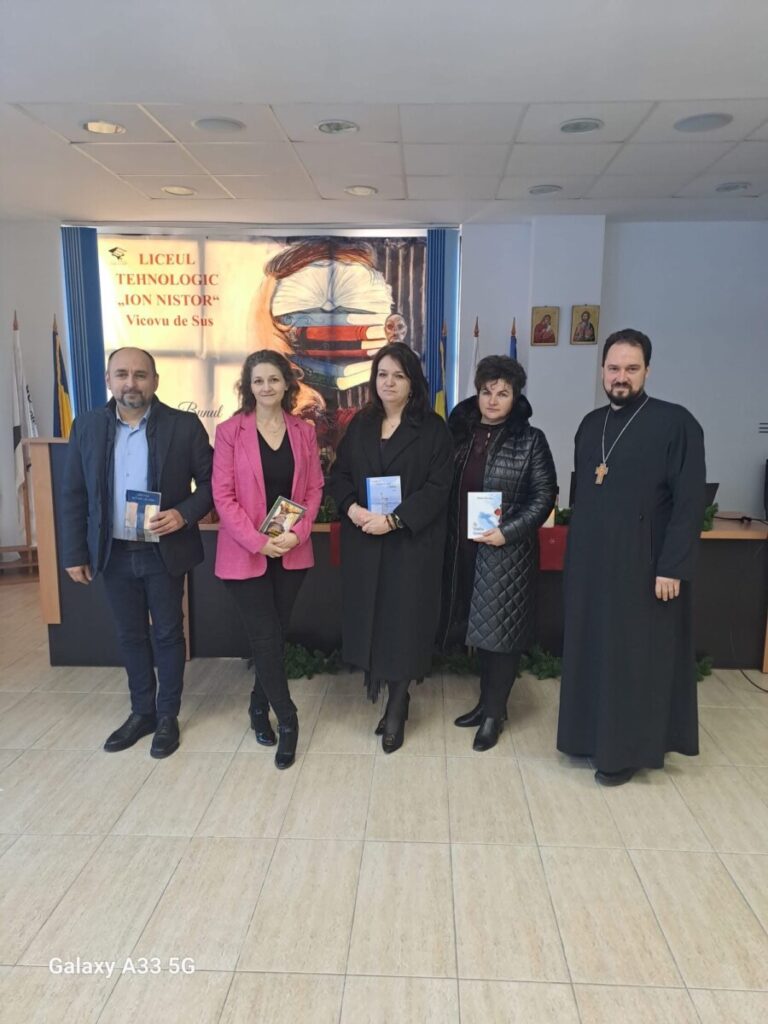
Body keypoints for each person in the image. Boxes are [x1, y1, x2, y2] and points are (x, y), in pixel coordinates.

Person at [557, 329, 706, 785]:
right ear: (602, 370)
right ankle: (587, 737)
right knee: (593, 651)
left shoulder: (676, 423)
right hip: (592, 565)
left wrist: (672, 567)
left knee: (632, 659)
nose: (621, 377)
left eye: (631, 368)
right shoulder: (590, 424)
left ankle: (624, 752)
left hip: (645, 566)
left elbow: (689, 504)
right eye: (613, 368)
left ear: (647, 371)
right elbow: (586, 494)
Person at [62, 347, 213, 758]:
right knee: (130, 635)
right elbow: (73, 494)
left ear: (155, 381)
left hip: (163, 550)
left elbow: (213, 483)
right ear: (108, 380)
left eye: (141, 375)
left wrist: (183, 514)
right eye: (122, 374)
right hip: (112, 551)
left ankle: (167, 716)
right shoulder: (87, 426)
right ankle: (141, 712)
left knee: (167, 633)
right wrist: (74, 553)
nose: (131, 383)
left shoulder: (183, 426)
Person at [328, 342, 453, 753]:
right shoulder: (361, 425)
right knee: (375, 621)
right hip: (365, 541)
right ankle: (385, 690)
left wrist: (395, 520)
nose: (389, 382)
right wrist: (352, 509)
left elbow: (438, 488)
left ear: (413, 382)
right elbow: (339, 475)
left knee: (404, 625)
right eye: (383, 374)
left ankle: (398, 703)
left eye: (399, 375)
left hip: (410, 545)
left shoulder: (433, 429)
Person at [212, 350, 323, 769]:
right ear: (248, 386)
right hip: (246, 554)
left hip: (291, 551)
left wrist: (297, 533)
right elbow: (223, 496)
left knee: (275, 635)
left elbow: (314, 489)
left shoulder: (303, 431)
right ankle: (288, 720)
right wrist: (258, 542)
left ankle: (258, 707)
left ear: (286, 384)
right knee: (265, 636)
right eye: (258, 380)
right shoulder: (230, 432)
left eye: (273, 379)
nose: (266, 387)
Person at [439, 355, 557, 750]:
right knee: (478, 628)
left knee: (500, 635)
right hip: (463, 547)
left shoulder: (530, 440)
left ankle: (493, 714)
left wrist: (507, 532)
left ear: (515, 397)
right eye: (487, 391)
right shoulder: (460, 434)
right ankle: (485, 703)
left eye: (503, 393)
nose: (492, 400)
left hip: (507, 553)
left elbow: (544, 496)